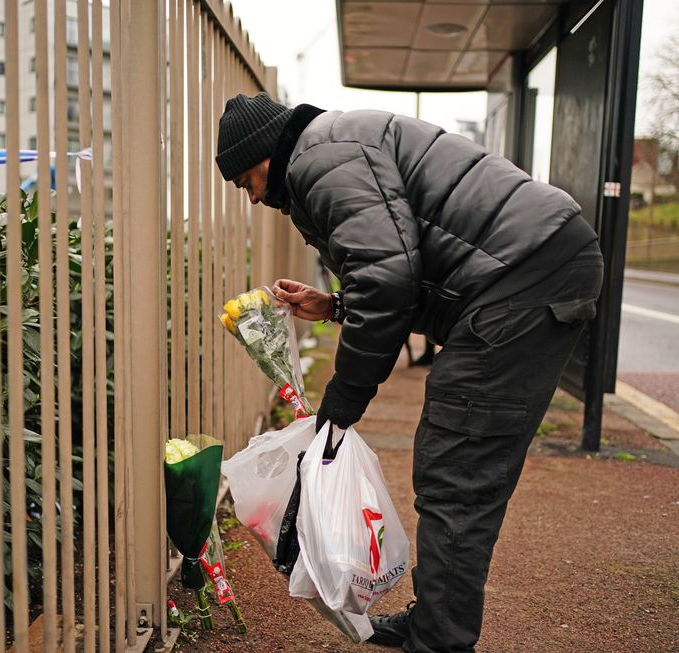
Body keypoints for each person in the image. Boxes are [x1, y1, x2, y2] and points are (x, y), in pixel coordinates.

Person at [215, 92, 603, 653]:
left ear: (264, 156)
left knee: (459, 466)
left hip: (523, 275)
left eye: (244, 181)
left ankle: (440, 640)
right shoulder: (331, 148)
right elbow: (406, 261)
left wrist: (341, 405)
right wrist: (337, 307)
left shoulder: (318, 162)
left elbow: (387, 279)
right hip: (527, 268)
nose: (251, 198)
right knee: (458, 463)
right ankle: (435, 624)